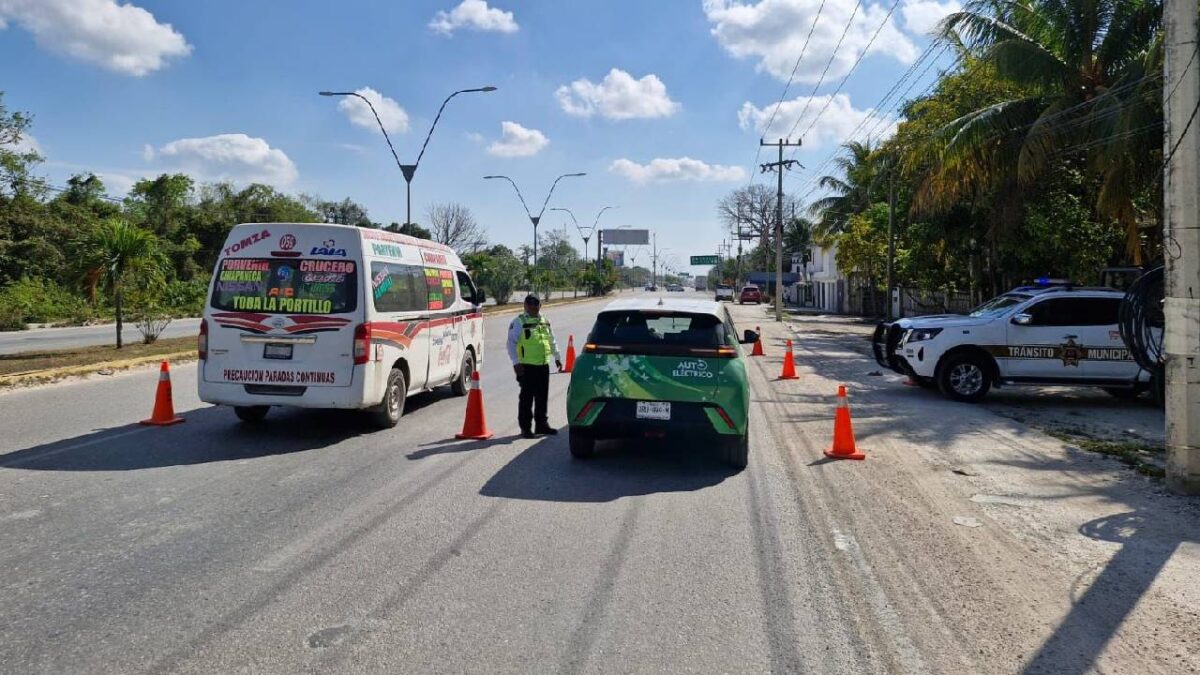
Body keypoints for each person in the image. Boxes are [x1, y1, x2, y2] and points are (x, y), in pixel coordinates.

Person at [506, 294, 563, 439]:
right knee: (526, 398)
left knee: (542, 397)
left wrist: (557, 357)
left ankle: (541, 425)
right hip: (526, 366)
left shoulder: (544, 321)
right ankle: (525, 428)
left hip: (543, 364)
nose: (533, 307)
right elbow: (511, 343)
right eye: (530, 305)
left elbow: (551, 340)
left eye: (536, 305)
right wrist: (516, 362)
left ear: (540, 306)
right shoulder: (519, 322)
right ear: (525, 306)